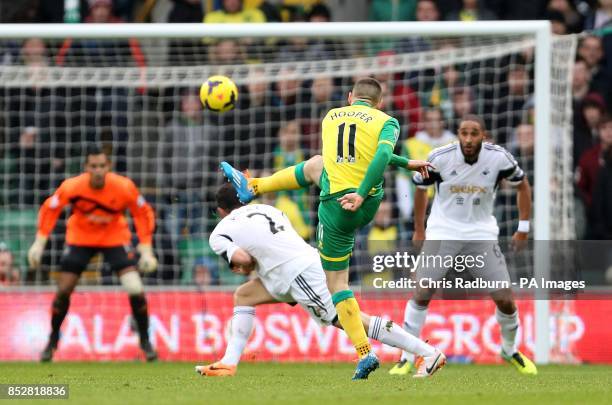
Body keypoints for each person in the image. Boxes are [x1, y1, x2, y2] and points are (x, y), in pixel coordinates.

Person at [220, 77, 432, 379]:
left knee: (337, 287)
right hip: (366, 201)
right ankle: (253, 186)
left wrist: (357, 192)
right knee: (315, 164)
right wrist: (401, 166)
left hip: (338, 205)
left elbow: (362, 156)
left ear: (350, 97)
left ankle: (364, 353)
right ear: (380, 102)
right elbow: (380, 155)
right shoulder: (388, 121)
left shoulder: (331, 117)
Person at [195, 184, 445, 378]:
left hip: (297, 275)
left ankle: (427, 353)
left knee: (349, 320)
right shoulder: (267, 208)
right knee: (244, 295)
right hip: (296, 267)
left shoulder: (219, 232)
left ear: (220, 211)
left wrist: (244, 264)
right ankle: (228, 363)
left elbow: (244, 259)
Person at [389, 115, 538, 376]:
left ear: (484, 135)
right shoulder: (440, 157)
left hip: (481, 233)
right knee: (423, 291)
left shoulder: (499, 157)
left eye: (474, 134)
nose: (468, 139)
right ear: (458, 134)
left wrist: (523, 228)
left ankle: (509, 350)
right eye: (464, 134)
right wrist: (419, 229)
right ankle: (407, 357)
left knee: (505, 299)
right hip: (443, 230)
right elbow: (421, 189)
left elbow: (522, 185)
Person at [28, 146, 158, 362]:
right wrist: (39, 242)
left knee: (135, 288)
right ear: (86, 167)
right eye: (93, 166)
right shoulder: (72, 186)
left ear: (109, 167)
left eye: (102, 166)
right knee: (63, 290)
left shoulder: (123, 187)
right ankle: (52, 342)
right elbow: (50, 208)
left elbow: (143, 213)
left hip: (114, 237)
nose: (98, 170)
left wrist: (146, 249)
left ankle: (145, 342)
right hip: (81, 238)